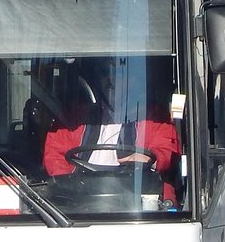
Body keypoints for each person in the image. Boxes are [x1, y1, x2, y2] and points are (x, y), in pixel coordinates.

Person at [42, 60, 180, 207]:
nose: (111, 80)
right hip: (80, 199)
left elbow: (168, 149)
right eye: (105, 74)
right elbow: (54, 154)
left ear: (134, 80)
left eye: (120, 74)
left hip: (137, 194)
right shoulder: (75, 117)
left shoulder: (154, 116)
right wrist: (73, 180)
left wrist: (149, 159)